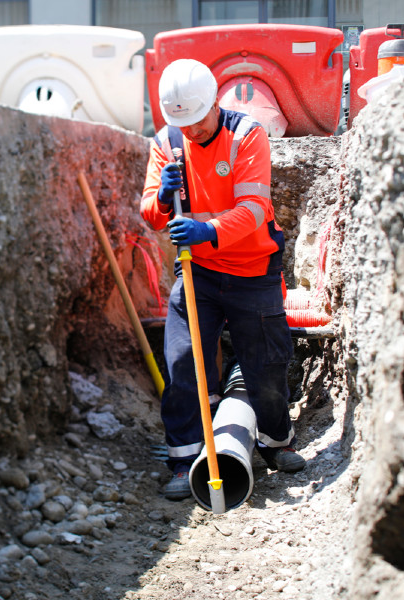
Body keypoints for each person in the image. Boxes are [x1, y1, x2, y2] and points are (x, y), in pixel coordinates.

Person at [140, 59, 305, 501]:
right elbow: (151, 216)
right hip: (199, 272)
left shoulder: (246, 136)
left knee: (266, 365)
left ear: (214, 102)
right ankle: (183, 459)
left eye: (196, 120)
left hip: (253, 272)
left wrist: (207, 230)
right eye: (182, 123)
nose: (190, 131)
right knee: (182, 363)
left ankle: (275, 442)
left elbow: (253, 212)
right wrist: (160, 196)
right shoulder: (168, 141)